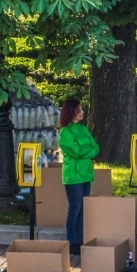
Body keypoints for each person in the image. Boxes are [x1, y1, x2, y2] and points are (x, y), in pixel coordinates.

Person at [58, 98, 99, 256]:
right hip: (73, 176)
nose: (83, 112)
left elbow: (96, 148)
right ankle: (72, 242)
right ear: (71, 112)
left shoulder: (83, 129)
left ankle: (80, 240)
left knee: (82, 209)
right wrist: (86, 150)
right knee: (74, 209)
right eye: (79, 109)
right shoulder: (65, 132)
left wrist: (83, 149)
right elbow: (76, 152)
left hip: (86, 175)